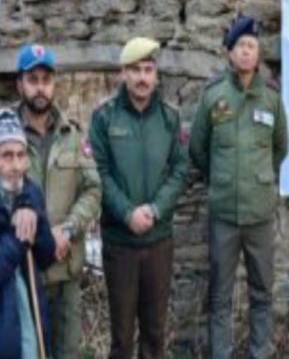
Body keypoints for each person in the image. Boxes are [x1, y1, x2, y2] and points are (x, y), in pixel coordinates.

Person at [190, 16, 288, 359]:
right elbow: (197, 149)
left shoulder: (271, 97)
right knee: (220, 294)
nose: (247, 51)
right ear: (230, 53)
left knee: (262, 291)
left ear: (258, 53)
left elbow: (281, 148)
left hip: (260, 213)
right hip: (224, 215)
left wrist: (259, 178)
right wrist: (222, 177)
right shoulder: (213, 95)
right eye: (241, 46)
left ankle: (260, 351)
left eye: (252, 46)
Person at [89, 37, 189, 359]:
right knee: (121, 338)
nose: (142, 77)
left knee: (155, 334)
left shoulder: (170, 118)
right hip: (120, 244)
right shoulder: (104, 117)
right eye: (135, 70)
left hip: (158, 242)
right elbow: (98, 173)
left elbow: (180, 169)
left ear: (156, 75)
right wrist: (127, 213)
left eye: (148, 70)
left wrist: (157, 209)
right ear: (123, 74)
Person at [15, 43, 101, 359]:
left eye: (46, 80)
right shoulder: (7, 137)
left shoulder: (72, 135)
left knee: (67, 352)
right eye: (33, 79)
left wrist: (67, 229)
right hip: (23, 271)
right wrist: (37, 234)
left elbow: (93, 190)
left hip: (65, 272)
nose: (40, 88)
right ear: (20, 84)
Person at [0, 108, 56, 359]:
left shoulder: (29, 193)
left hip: (31, 319)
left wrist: (37, 220)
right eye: (6, 155)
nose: (15, 166)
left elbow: (46, 256)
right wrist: (18, 237)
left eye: (21, 155)